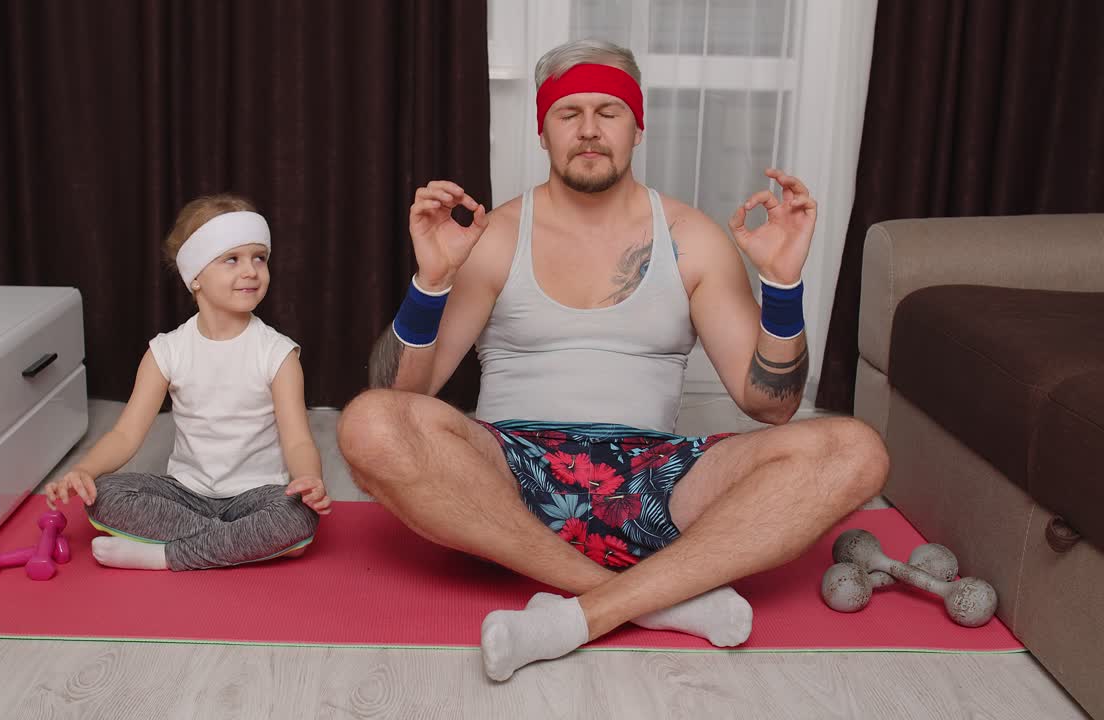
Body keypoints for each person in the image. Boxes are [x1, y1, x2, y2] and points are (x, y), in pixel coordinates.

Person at [337, 39, 887, 680]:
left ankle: (584, 613)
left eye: (610, 111)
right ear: (542, 130)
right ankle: (651, 600)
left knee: (856, 449)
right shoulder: (495, 237)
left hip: (660, 478)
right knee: (367, 421)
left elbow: (773, 406)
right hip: (507, 478)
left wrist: (784, 287)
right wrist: (430, 282)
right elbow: (406, 397)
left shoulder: (693, 239)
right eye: (569, 113)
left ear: (638, 125)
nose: (590, 130)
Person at [45, 194, 332, 571]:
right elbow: (126, 435)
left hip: (257, 495)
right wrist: (83, 470)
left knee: (296, 517)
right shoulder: (167, 351)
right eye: (232, 259)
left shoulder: (278, 354)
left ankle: (167, 555)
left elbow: (298, 440)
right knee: (105, 494)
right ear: (195, 276)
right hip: (185, 494)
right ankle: (236, 544)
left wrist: (309, 478)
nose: (251, 271)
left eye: (259, 257)